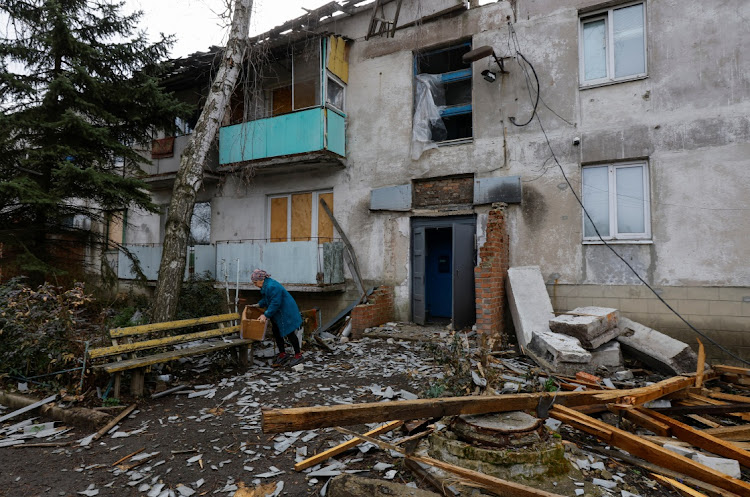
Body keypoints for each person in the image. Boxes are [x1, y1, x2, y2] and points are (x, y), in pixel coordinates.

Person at [251, 269, 304, 367]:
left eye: (255, 282)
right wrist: (258, 305)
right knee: (276, 332)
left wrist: (265, 315)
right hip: (279, 313)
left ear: (261, 279)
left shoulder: (272, 286)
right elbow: (267, 299)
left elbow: (275, 303)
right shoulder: (266, 285)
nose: (254, 284)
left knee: (290, 333)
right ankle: (282, 353)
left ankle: (298, 355)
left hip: (286, 311)